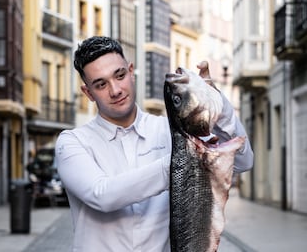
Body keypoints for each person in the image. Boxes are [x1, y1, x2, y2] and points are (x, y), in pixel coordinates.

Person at [55, 36, 253, 251]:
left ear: (131, 72)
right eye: (101, 84)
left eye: (119, 75)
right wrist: (184, 162)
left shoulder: (170, 131)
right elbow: (102, 195)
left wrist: (218, 105)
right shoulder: (72, 142)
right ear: (88, 93)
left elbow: (243, 161)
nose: (115, 90)